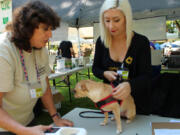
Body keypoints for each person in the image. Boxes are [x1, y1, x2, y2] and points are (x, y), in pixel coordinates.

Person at [0, 1, 73, 135]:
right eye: (46, 29)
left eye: (51, 29)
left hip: (28, 122)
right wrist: (23, 131)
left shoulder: (40, 49)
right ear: (27, 28)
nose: (50, 35)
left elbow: (44, 86)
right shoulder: (3, 51)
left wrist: (55, 117)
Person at [92, 0, 152, 115]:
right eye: (107, 20)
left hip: (136, 106)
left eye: (116, 20)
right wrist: (104, 73)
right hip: (111, 105)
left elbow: (147, 76)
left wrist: (130, 86)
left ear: (126, 18)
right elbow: (95, 68)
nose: (111, 26)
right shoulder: (101, 42)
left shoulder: (141, 42)